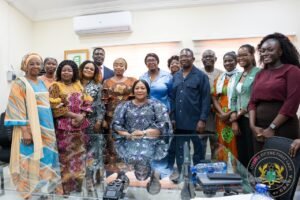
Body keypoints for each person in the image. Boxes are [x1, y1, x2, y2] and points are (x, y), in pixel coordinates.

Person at [4, 53, 62, 199]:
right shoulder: (20, 83)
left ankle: (43, 190)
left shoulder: (42, 82)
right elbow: (17, 108)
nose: (36, 66)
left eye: (38, 63)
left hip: (46, 128)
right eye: (32, 63)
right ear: (25, 66)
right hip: (30, 129)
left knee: (46, 158)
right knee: (29, 158)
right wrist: (25, 131)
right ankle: (28, 191)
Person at [111, 79, 172, 194]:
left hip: (152, 140)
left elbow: (164, 126)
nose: (139, 90)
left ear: (147, 91)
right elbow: (116, 124)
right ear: (133, 91)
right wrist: (127, 135)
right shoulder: (124, 106)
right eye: (137, 88)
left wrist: (144, 133)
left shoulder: (156, 105)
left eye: (142, 88)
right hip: (128, 140)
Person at [249, 33, 300, 153]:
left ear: (280, 52)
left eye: (270, 50)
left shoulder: (292, 70)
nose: (265, 53)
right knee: (262, 167)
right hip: (259, 129)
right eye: (262, 51)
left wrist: (272, 127)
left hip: (283, 127)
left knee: (281, 166)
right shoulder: (260, 73)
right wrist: (252, 126)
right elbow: (252, 102)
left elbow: (291, 104)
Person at [49, 60, 93, 195]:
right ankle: (65, 189)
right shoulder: (55, 86)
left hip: (80, 128)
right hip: (64, 129)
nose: (66, 72)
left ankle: (78, 187)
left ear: (74, 72)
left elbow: (87, 102)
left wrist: (83, 115)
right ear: (60, 72)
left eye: (69, 70)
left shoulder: (78, 85)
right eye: (63, 70)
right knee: (65, 158)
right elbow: (55, 107)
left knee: (80, 156)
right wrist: (75, 116)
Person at [171, 48, 210, 174]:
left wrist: (202, 119)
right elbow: (172, 98)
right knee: (180, 152)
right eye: (181, 56)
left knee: (198, 152)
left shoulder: (201, 76)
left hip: (195, 122)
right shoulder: (176, 76)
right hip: (179, 122)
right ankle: (182, 175)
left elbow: (206, 99)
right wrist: (172, 118)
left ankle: (198, 176)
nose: (184, 58)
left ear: (193, 59)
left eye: (187, 56)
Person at [102, 58, 137, 171]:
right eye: (116, 65)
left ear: (125, 67)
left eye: (121, 65)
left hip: (128, 118)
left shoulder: (132, 81)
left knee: (127, 140)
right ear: (113, 67)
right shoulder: (107, 82)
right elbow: (103, 102)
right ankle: (113, 170)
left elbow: (136, 100)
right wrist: (103, 119)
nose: (118, 67)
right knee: (112, 143)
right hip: (110, 117)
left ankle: (126, 170)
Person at [230, 44, 260, 167]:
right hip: (239, 119)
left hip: (252, 118)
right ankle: (245, 180)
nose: (241, 58)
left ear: (252, 56)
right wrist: (234, 118)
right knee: (241, 152)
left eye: (244, 55)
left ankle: (255, 180)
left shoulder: (259, 73)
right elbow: (233, 97)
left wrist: (243, 111)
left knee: (253, 152)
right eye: (239, 55)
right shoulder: (238, 75)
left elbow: (257, 96)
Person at [79, 60, 106, 193]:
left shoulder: (98, 86)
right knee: (78, 151)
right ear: (82, 69)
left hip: (92, 122)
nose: (89, 70)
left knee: (92, 152)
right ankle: (78, 178)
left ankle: (90, 178)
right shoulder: (74, 83)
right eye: (86, 68)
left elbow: (100, 105)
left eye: (91, 69)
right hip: (75, 124)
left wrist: (99, 121)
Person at [212, 51, 240, 160]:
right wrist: (222, 113)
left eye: (230, 60)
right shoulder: (219, 78)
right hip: (221, 117)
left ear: (236, 61)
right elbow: (214, 97)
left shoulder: (241, 77)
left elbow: (243, 97)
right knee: (221, 142)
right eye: (225, 61)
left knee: (235, 144)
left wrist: (229, 114)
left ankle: (236, 170)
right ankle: (223, 170)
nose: (228, 63)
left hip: (236, 116)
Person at [200, 49, 223, 160]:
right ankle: (201, 169)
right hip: (202, 115)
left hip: (218, 114)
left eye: (210, 56)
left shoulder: (221, 74)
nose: (208, 59)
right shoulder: (197, 73)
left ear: (215, 59)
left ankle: (216, 169)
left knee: (216, 144)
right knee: (201, 144)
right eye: (205, 57)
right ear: (202, 60)